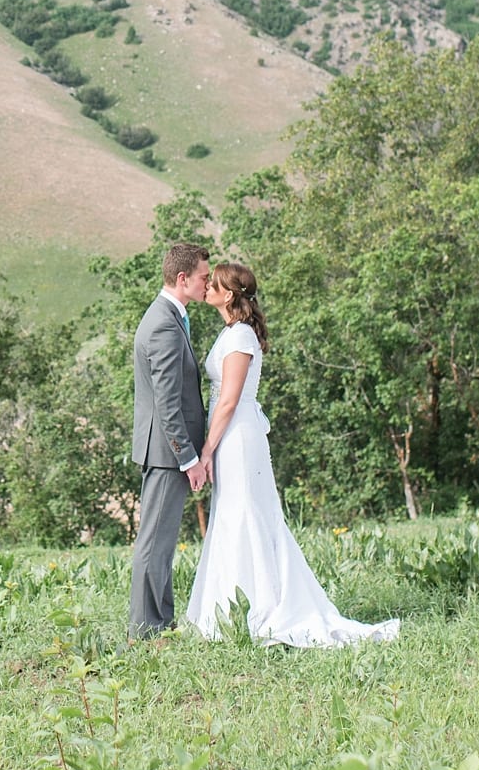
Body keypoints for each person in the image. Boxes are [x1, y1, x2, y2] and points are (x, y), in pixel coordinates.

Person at [184, 261, 399, 648]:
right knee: (232, 513)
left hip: (237, 437)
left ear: (228, 294)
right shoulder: (231, 332)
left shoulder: (240, 339)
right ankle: (229, 605)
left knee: (247, 513)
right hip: (230, 435)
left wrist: (207, 448)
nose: (207, 288)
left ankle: (261, 606)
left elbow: (229, 400)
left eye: (213, 284)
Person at [128, 241, 211, 638]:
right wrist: (188, 457)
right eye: (203, 278)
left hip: (166, 451)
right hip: (166, 452)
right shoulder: (163, 323)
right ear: (183, 279)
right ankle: (146, 631)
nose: (207, 284)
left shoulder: (169, 316)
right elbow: (167, 401)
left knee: (161, 544)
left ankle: (159, 622)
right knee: (154, 545)